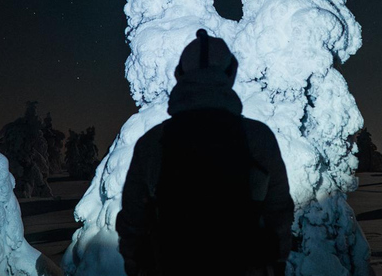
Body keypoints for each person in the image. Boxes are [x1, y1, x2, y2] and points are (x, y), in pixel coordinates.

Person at [116, 29, 294, 276]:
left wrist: (138, 267)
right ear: (230, 74)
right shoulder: (259, 138)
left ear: (180, 75)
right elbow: (279, 212)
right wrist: (275, 264)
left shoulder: (152, 142)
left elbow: (132, 221)